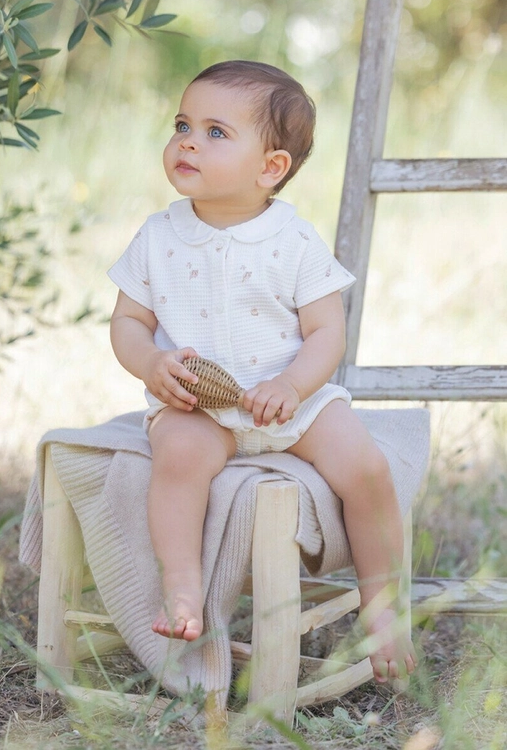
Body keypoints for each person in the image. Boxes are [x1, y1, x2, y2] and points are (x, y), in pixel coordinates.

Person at [108, 60, 417, 683]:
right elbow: (127, 324)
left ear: (271, 167)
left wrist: (293, 386)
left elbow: (327, 331)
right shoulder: (158, 236)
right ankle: (183, 590)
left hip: (291, 401)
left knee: (367, 467)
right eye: (182, 124)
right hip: (201, 405)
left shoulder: (293, 240)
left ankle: (385, 609)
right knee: (177, 459)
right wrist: (152, 363)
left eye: (216, 132)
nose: (188, 141)